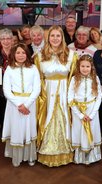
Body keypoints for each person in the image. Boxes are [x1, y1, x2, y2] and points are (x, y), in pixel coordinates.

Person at [35, 25, 78, 167]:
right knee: (48, 119)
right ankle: (46, 150)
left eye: (58, 36)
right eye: (52, 36)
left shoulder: (71, 55)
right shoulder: (39, 56)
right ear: (48, 38)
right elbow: (37, 78)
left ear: (62, 38)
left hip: (65, 91)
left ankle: (66, 150)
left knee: (64, 117)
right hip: (47, 93)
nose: (55, 38)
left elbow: (74, 77)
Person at [2, 43, 41, 167]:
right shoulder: (9, 69)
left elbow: (37, 88)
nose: (20, 55)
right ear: (13, 54)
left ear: (27, 54)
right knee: (17, 129)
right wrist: (19, 104)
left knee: (28, 128)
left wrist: (27, 104)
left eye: (23, 53)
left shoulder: (33, 68)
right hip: (14, 105)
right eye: (18, 53)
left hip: (30, 103)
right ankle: (17, 157)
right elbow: (6, 90)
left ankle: (30, 156)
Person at [68, 54, 102, 165]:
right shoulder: (74, 79)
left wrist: (92, 114)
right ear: (79, 67)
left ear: (91, 67)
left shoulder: (95, 78)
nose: (85, 69)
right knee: (79, 132)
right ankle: (80, 157)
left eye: (87, 66)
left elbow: (99, 96)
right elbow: (70, 98)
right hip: (78, 111)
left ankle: (91, 157)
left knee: (91, 131)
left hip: (92, 109)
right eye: (82, 66)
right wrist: (80, 114)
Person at [0, 28, 14, 127]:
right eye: (3, 39)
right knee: (3, 111)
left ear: (12, 40)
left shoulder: (17, 54)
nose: (6, 41)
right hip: (1, 89)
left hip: (15, 88)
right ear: (0, 41)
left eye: (8, 38)